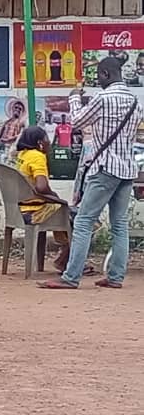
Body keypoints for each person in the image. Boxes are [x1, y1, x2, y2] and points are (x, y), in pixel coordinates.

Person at [41, 56, 143, 290]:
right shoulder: (134, 101)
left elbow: (77, 121)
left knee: (84, 221)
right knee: (119, 224)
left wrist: (75, 97)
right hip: (126, 170)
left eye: (99, 76)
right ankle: (116, 277)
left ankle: (71, 277)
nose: (98, 80)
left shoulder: (103, 98)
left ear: (106, 75)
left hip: (105, 168)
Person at [14, 126, 72, 271]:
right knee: (81, 220)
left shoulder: (22, 155)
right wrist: (56, 197)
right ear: (40, 142)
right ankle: (65, 259)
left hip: (20, 208)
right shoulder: (37, 156)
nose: (49, 143)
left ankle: (62, 255)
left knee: (63, 209)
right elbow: (42, 187)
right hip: (34, 210)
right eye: (47, 139)